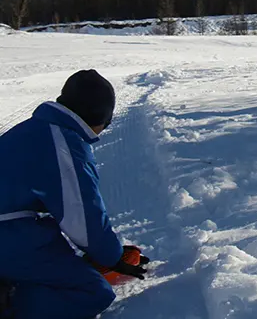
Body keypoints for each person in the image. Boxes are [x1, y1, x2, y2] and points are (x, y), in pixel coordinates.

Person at [0, 70, 149, 318]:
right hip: (7, 232)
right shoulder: (65, 144)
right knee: (92, 291)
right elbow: (82, 218)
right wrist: (111, 257)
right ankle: (11, 301)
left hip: (10, 224)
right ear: (101, 118)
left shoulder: (35, 129)